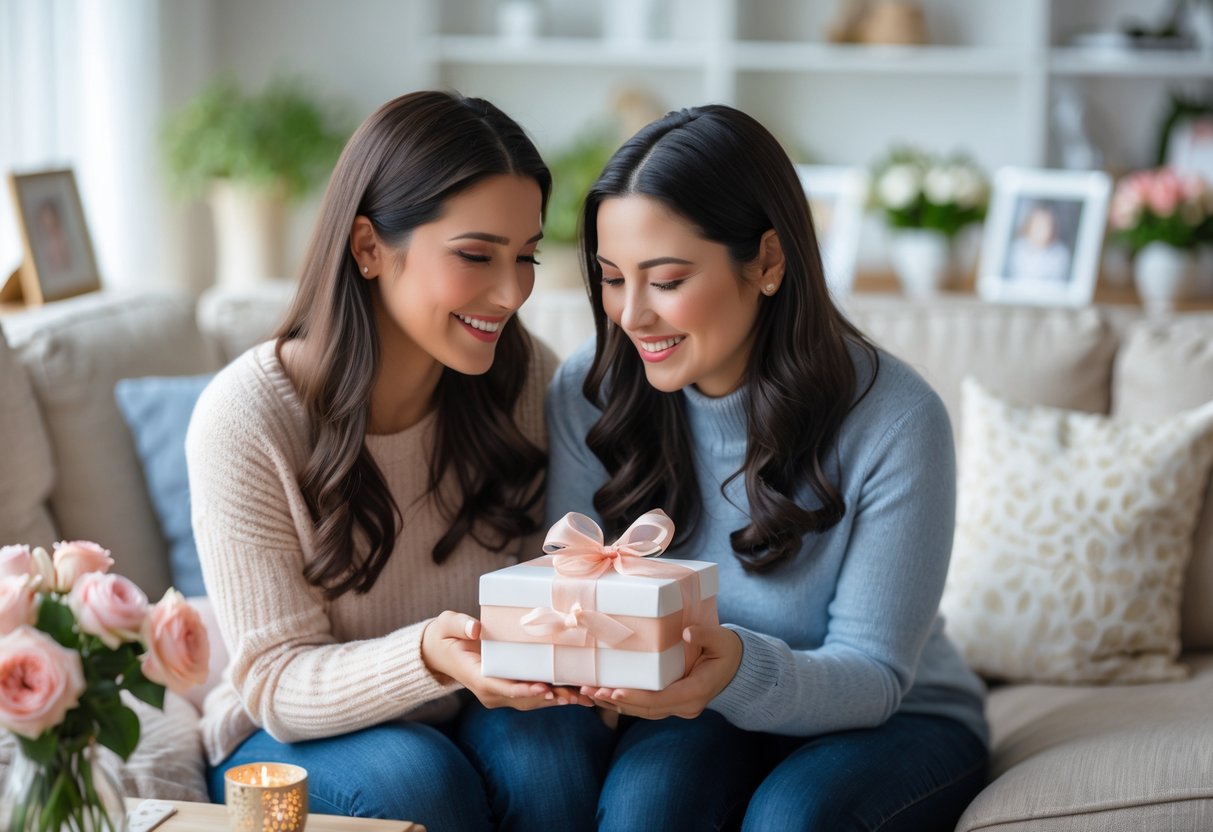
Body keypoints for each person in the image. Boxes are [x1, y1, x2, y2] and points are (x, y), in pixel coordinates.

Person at [542, 104, 990, 830]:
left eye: (665, 279)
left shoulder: (897, 417)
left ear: (769, 261)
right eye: (612, 278)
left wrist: (734, 669)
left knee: (793, 817)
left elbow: (872, 673)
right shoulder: (589, 391)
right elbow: (568, 601)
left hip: (894, 718)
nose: (630, 317)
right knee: (644, 808)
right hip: (705, 706)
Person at [186, 90, 594, 829]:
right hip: (285, 735)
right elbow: (276, 682)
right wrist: (432, 656)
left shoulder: (523, 376)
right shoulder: (247, 417)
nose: (510, 293)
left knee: (556, 758)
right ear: (370, 246)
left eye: (525, 256)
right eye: (476, 255)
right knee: (416, 780)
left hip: (472, 704)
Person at [1005, 201, 1072, 284]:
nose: (1042, 230)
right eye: (1038, 224)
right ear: (1030, 225)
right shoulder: (1016, 250)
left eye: (1046, 225)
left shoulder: (1060, 255)